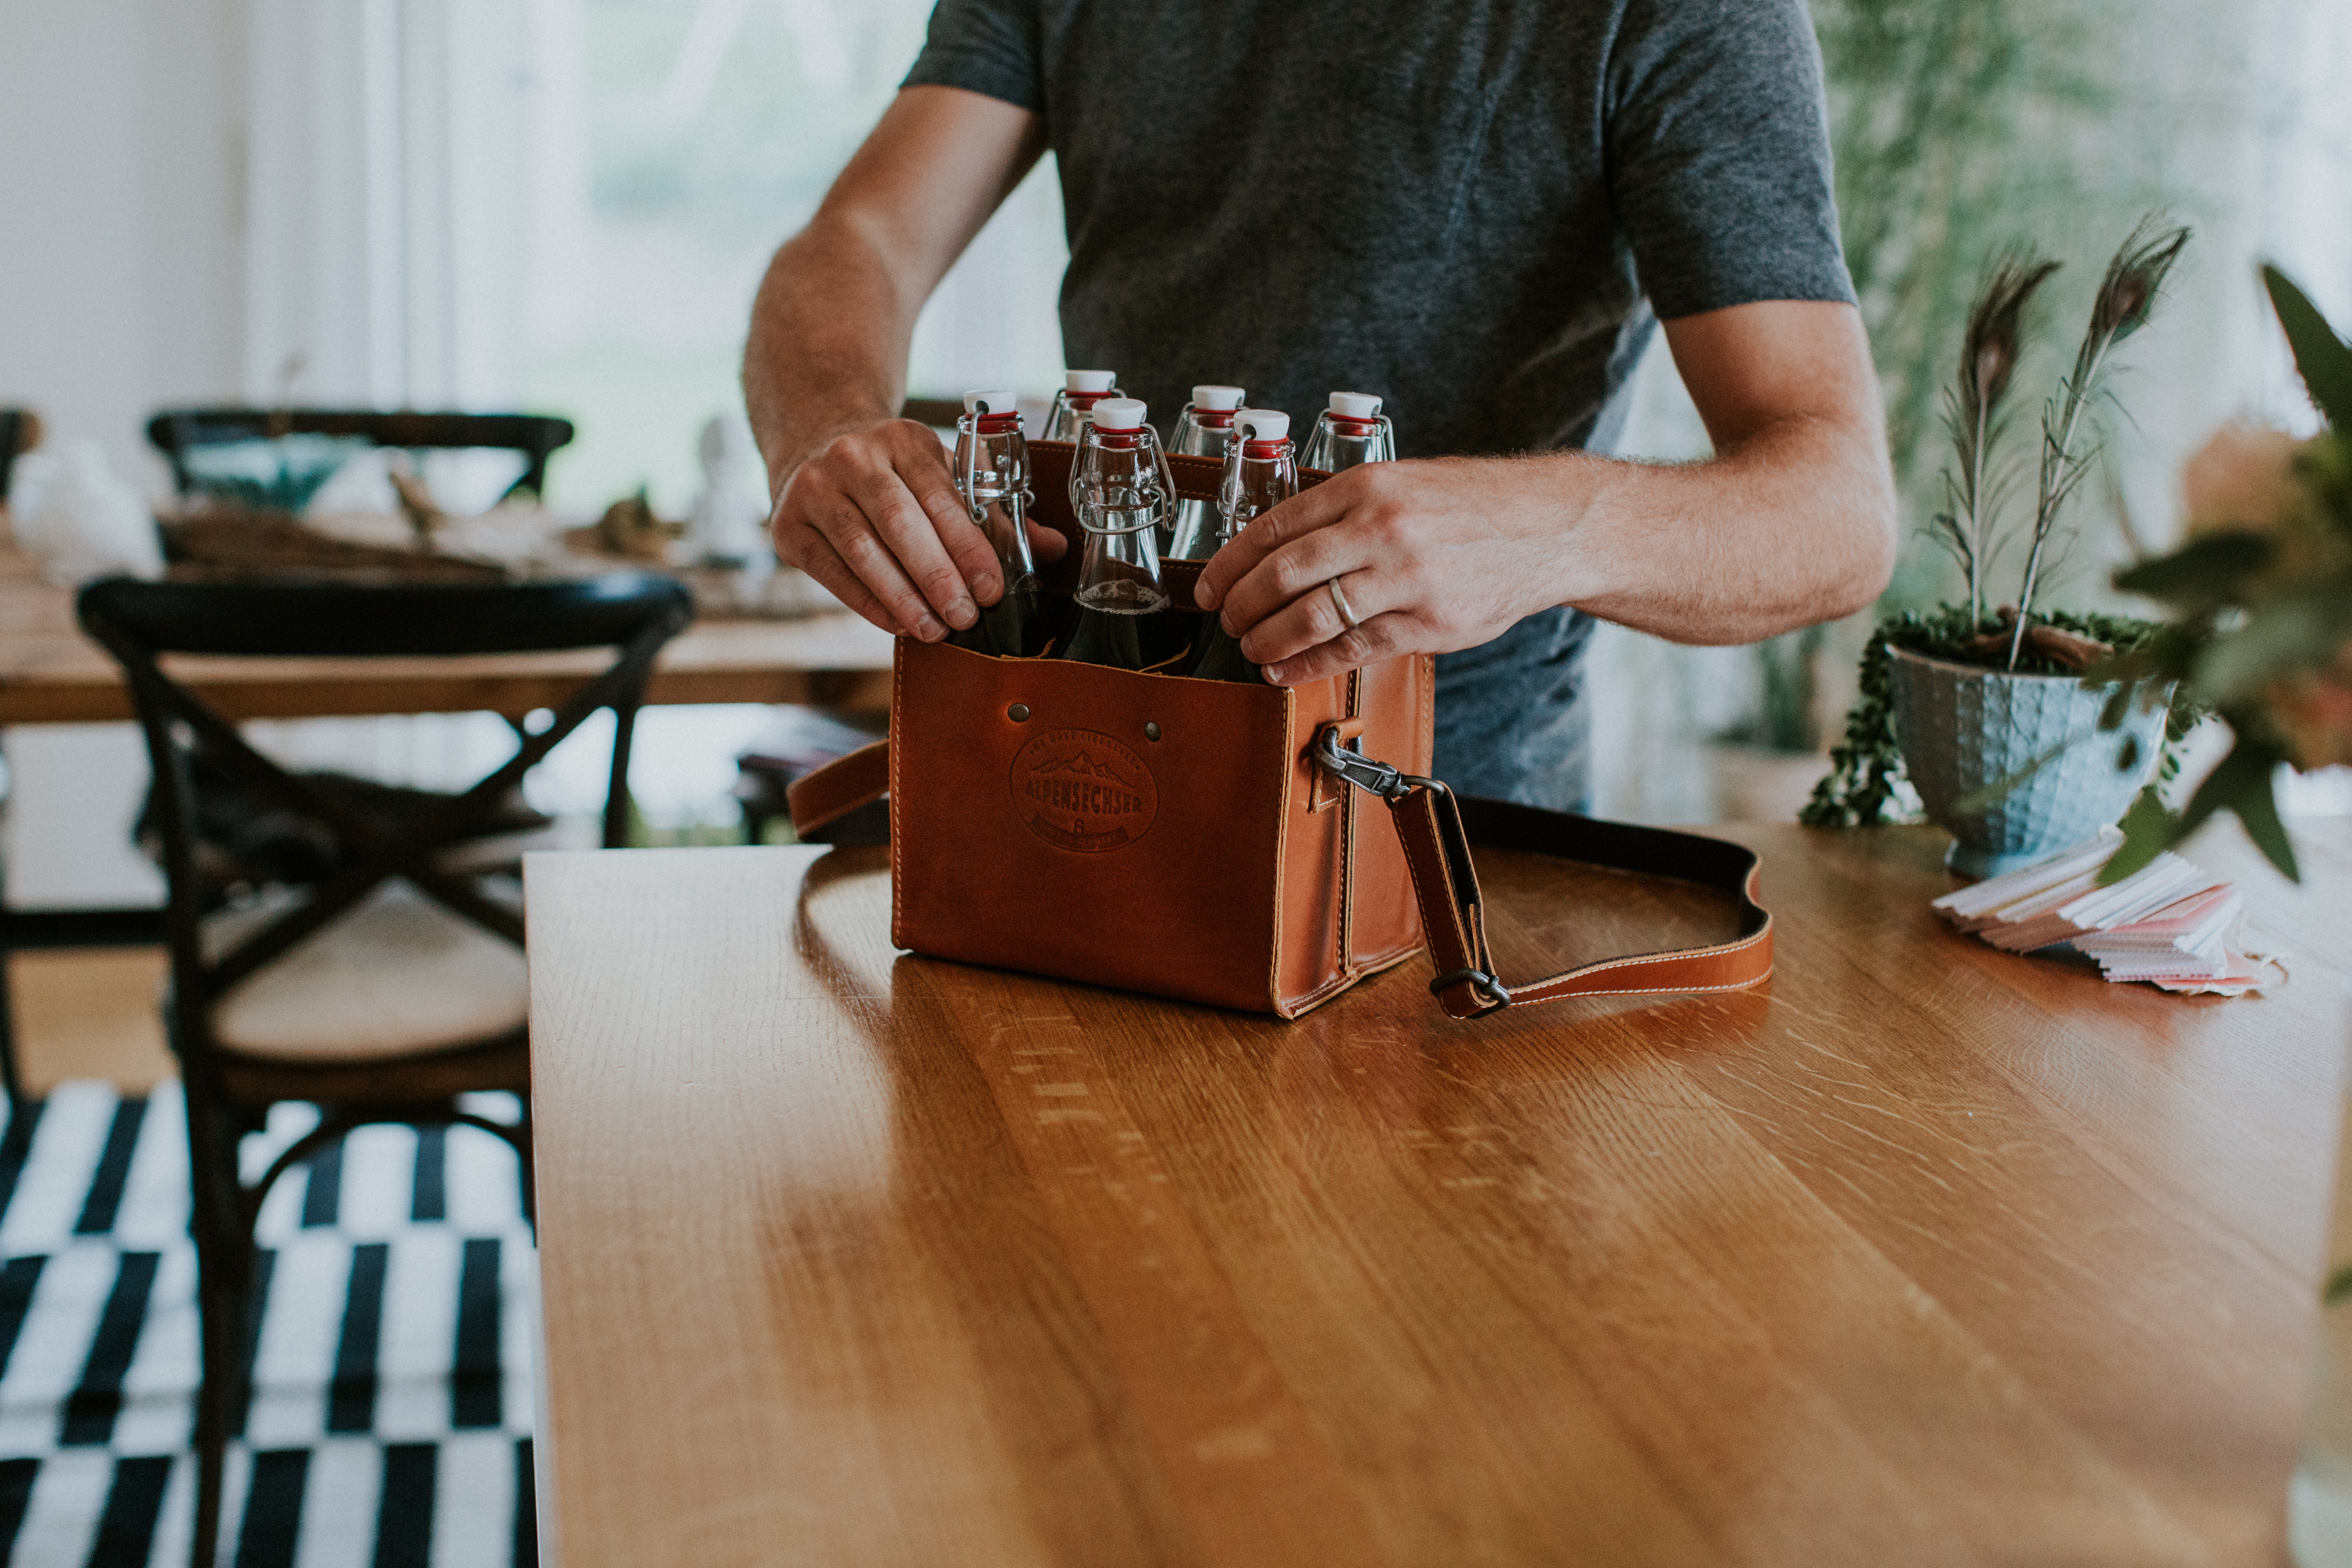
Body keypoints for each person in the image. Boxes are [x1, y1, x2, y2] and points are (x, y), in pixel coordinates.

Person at [743, 0, 1897, 811]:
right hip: (1106, 770)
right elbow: (860, 240)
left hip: (1447, 822)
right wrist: (825, 434)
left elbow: (1836, 513)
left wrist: (1550, 528)